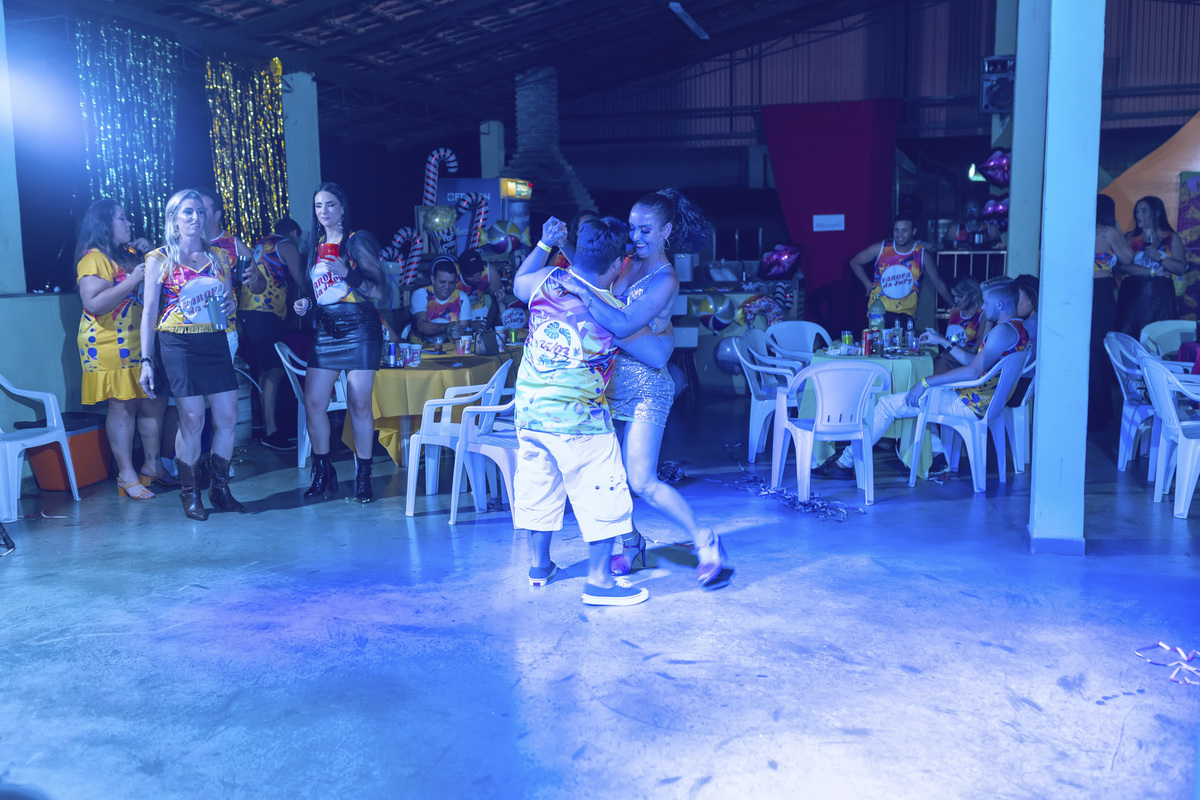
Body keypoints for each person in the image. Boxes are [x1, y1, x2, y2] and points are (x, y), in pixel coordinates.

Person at [560, 189, 726, 586]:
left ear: (666, 231)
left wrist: (584, 295)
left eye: (645, 230)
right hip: (608, 382)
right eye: (632, 228)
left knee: (641, 481)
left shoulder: (665, 279)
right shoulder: (627, 261)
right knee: (606, 477)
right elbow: (590, 272)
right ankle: (632, 543)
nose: (635, 237)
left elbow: (620, 324)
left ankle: (704, 538)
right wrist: (561, 245)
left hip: (646, 387)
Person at [511, 216, 675, 605]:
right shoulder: (612, 312)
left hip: (531, 413)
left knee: (540, 486)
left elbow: (519, 281)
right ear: (618, 263)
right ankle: (599, 582)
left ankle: (540, 567)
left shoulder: (546, 281)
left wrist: (545, 244)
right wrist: (667, 330)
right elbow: (657, 356)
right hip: (580, 422)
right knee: (603, 492)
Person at [820, 277, 1031, 478]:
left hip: (970, 403)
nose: (982, 307)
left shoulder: (1001, 332)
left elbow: (973, 371)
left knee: (886, 405)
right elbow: (972, 360)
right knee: (912, 402)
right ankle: (934, 455)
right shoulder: (1018, 330)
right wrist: (941, 341)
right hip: (983, 402)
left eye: (986, 302)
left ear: (1000, 304)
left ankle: (844, 463)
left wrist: (925, 382)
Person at [138, 189, 244, 521]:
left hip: (214, 340)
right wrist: (145, 360)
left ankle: (220, 488)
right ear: (173, 219)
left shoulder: (219, 257)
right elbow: (149, 312)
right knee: (193, 418)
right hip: (177, 343)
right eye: (188, 212)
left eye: (199, 211)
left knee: (227, 416)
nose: (196, 217)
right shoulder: (159, 258)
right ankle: (190, 492)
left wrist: (230, 304)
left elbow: (229, 303)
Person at [292, 182, 386, 503]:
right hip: (328, 327)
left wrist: (348, 272)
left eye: (330, 204)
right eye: (319, 206)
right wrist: (307, 303)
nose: (324, 211)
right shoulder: (315, 245)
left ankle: (363, 474)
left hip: (360, 327)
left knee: (359, 402)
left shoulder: (356, 241)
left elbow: (379, 292)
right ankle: (323, 470)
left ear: (342, 208)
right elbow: (322, 292)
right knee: (313, 403)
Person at [74, 198, 170, 500]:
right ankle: (126, 475)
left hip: (137, 340)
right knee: (123, 406)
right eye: (121, 218)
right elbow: (93, 303)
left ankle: (152, 466)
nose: (128, 223)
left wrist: (149, 251)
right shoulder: (93, 258)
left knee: (152, 401)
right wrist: (133, 278)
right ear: (104, 225)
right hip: (108, 342)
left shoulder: (125, 254)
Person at [239, 218, 304, 451]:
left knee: (265, 370)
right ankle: (271, 431)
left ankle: (265, 426)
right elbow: (302, 279)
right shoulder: (287, 244)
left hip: (249, 312)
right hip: (266, 312)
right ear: (295, 233)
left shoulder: (263, 242)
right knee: (275, 370)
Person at [850, 213, 952, 329]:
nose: (899, 234)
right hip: (878, 312)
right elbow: (855, 262)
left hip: (905, 315)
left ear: (914, 231)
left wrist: (955, 307)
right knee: (876, 341)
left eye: (904, 231)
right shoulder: (881, 248)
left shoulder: (921, 254)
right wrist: (868, 284)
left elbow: (940, 285)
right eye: (896, 230)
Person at [1115, 195, 1185, 339]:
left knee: (1161, 339)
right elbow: (1121, 266)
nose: (1138, 215)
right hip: (1133, 299)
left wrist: (1160, 257)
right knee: (1131, 338)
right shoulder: (1130, 238)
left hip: (1162, 300)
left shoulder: (1171, 238)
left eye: (1144, 211)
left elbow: (1181, 268)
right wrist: (1152, 272)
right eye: (1137, 211)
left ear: (1156, 213)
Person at [410, 256, 477, 342]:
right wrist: (446, 327)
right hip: (421, 347)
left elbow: (463, 331)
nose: (447, 286)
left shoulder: (462, 297)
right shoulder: (421, 294)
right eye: (442, 282)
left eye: (451, 283)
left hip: (450, 347)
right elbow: (421, 326)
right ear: (433, 279)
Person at [933, 276, 984, 374]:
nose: (956, 300)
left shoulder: (982, 314)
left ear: (972, 293)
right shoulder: (955, 310)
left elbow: (977, 349)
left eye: (960, 296)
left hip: (966, 360)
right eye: (954, 296)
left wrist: (951, 348)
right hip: (948, 355)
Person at [455, 248, 504, 327]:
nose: (476, 279)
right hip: (456, 310)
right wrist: (468, 325)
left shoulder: (490, 271)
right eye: (471, 277)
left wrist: (487, 326)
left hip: (477, 308)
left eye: (479, 275)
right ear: (461, 271)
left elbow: (496, 302)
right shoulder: (453, 273)